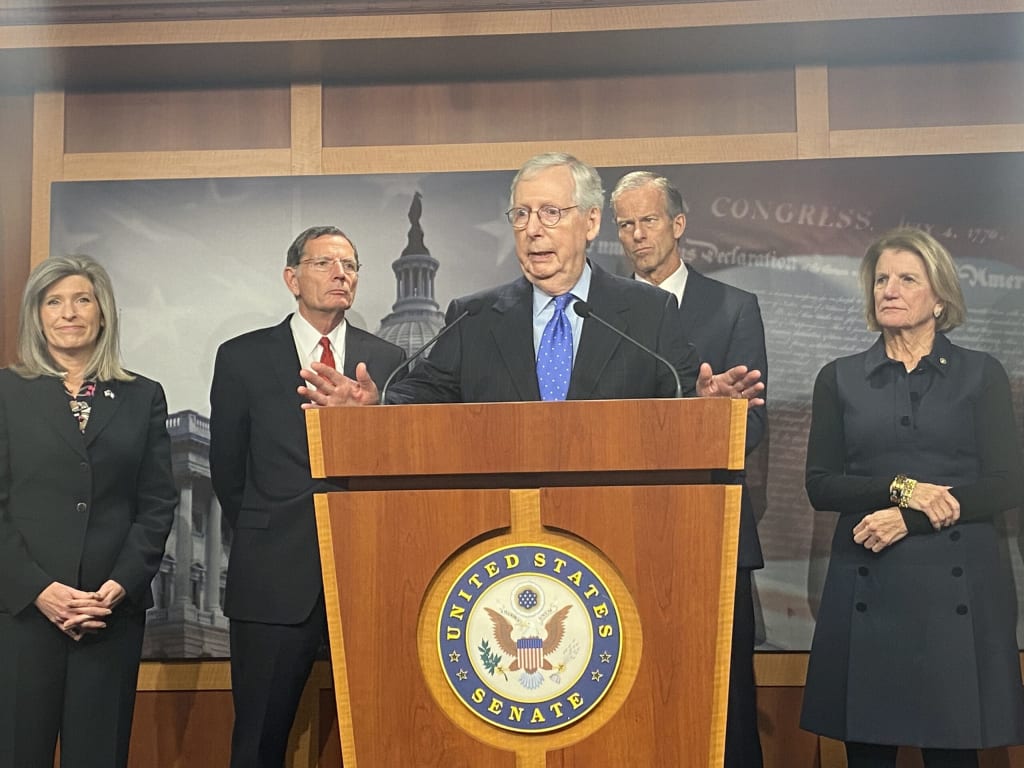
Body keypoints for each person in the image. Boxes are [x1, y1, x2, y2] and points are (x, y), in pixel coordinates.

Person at [801, 228, 1024, 767]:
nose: (889, 290)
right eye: (881, 280)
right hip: (868, 586)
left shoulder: (981, 374)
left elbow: (1005, 482)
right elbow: (821, 484)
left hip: (957, 595)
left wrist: (911, 518)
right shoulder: (839, 379)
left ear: (939, 298)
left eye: (906, 279)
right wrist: (902, 489)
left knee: (952, 756)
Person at [298, 152, 764, 407]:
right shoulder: (473, 317)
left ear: (591, 222)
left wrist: (706, 404)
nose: (532, 229)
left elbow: (680, 394)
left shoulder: (648, 312)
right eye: (521, 214)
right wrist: (378, 402)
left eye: (550, 213)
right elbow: (424, 394)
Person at [209, 225, 406, 768]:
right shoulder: (243, 357)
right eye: (324, 264)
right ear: (292, 278)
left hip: (369, 574)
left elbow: (399, 464)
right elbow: (229, 471)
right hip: (272, 579)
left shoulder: (388, 360)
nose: (341, 274)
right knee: (259, 743)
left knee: (383, 738)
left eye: (350, 265)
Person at [611, 170, 767, 768]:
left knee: (725, 700)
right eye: (626, 224)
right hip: (621, 527)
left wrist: (711, 416)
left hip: (711, 528)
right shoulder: (599, 311)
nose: (637, 234)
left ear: (678, 225)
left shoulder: (733, 308)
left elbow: (753, 427)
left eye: (648, 221)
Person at [0, 255, 178, 768]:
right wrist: (40, 590)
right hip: (22, 614)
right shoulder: (7, 392)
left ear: (102, 312)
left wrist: (119, 585)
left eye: (82, 299)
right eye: (53, 302)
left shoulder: (143, 396)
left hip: (107, 613)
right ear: (36, 316)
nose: (69, 313)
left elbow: (156, 503)